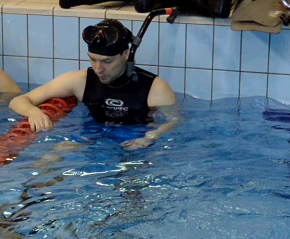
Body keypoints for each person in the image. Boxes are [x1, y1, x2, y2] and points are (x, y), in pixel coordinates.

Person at [10, 17, 180, 151]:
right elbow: (18, 101)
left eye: (107, 61)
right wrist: (33, 112)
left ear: (126, 54)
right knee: (54, 154)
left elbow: (175, 121)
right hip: (90, 138)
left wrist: (151, 137)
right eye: (93, 59)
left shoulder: (155, 88)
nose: (99, 69)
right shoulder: (79, 81)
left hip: (135, 142)